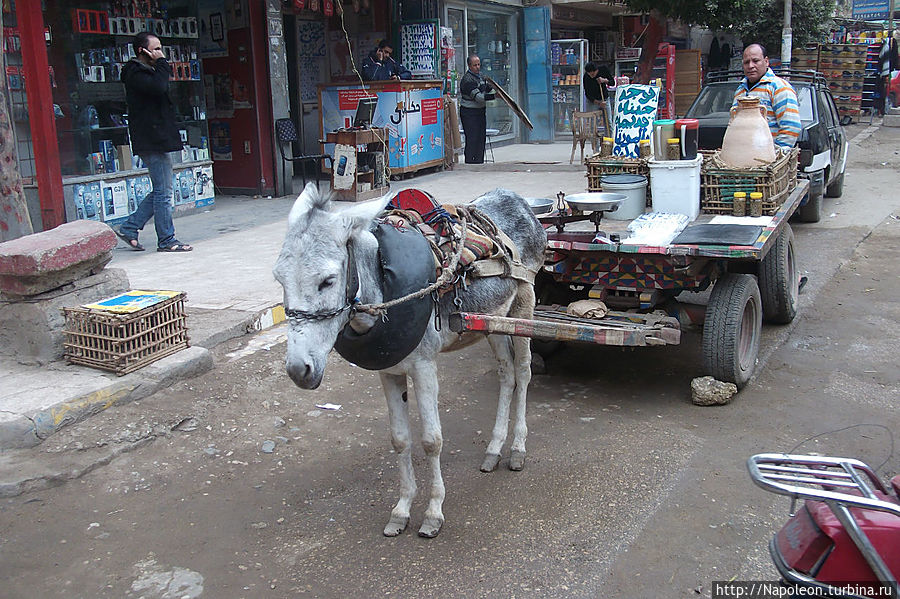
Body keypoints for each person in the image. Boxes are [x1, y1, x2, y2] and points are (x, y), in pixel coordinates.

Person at [113, 31, 192, 252]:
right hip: (150, 139)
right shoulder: (135, 73)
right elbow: (159, 87)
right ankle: (166, 239)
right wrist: (163, 63)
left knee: (162, 189)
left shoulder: (148, 71)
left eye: (161, 49)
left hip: (158, 138)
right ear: (143, 51)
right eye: (155, 49)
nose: (160, 53)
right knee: (163, 192)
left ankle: (130, 227)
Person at [730, 43, 801, 148]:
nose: (750, 66)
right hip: (743, 157)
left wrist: (775, 156)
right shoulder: (740, 91)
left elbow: (791, 127)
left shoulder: (779, 87)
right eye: (746, 62)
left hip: (770, 161)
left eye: (755, 61)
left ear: (766, 61)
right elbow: (733, 124)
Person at [458, 55, 495, 164]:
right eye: (475, 65)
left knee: (480, 139)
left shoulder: (481, 77)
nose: (478, 67)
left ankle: (479, 163)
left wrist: (492, 86)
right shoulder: (467, 80)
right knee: (472, 139)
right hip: (469, 113)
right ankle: (470, 163)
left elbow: (484, 89)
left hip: (480, 112)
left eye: (479, 64)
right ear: (469, 66)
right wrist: (495, 96)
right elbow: (479, 98)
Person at [583, 62, 613, 129]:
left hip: (604, 99)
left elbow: (612, 83)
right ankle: (594, 138)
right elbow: (587, 94)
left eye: (593, 74)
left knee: (608, 122)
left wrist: (604, 80)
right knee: (592, 123)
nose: (591, 76)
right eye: (589, 74)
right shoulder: (586, 77)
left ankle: (609, 138)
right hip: (593, 101)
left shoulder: (603, 70)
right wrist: (599, 103)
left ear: (596, 70)